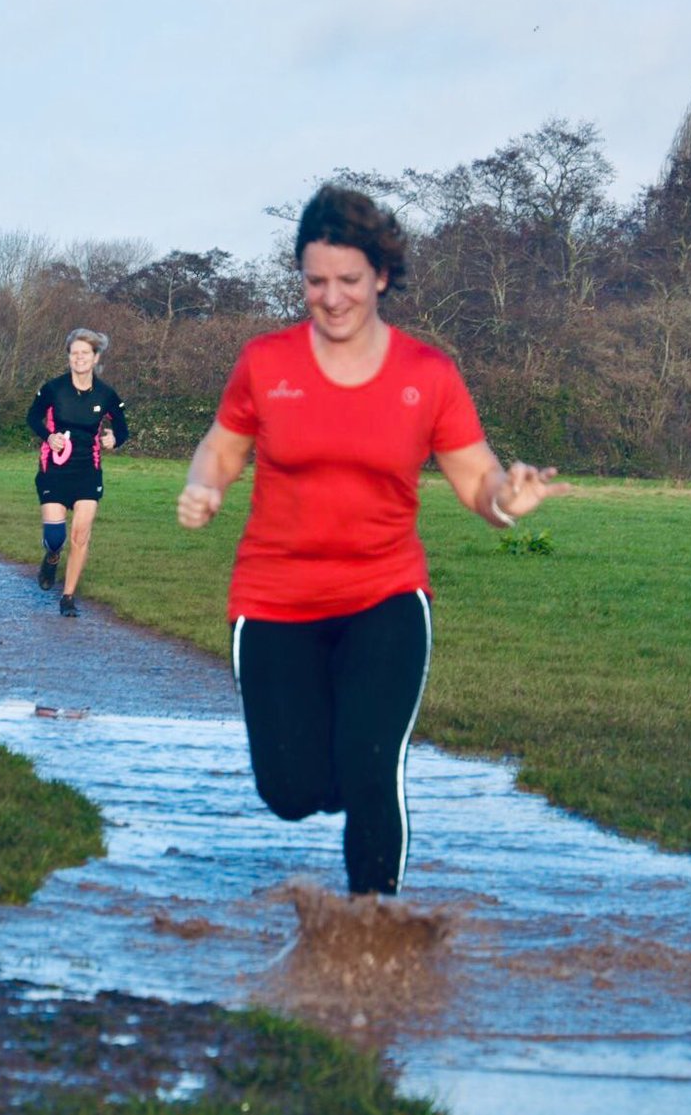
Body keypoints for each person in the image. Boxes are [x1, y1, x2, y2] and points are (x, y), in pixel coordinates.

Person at [177, 184, 569, 897]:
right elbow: (223, 446)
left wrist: (506, 498)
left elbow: (477, 476)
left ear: (381, 276)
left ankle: (376, 933)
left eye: (349, 281)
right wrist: (206, 486)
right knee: (293, 790)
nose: (331, 298)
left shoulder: (427, 375)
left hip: (384, 595)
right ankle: (334, 773)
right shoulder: (267, 363)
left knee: (371, 765)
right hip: (274, 598)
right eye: (315, 281)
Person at [27, 328, 129, 617]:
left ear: (95, 357)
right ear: (69, 357)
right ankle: (52, 556)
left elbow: (122, 428)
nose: (80, 358)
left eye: (86, 353)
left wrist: (114, 440)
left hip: (88, 471)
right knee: (56, 536)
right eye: (75, 353)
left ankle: (68, 597)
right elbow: (32, 416)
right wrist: (48, 436)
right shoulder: (53, 389)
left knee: (81, 534)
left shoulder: (106, 394)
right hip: (54, 470)